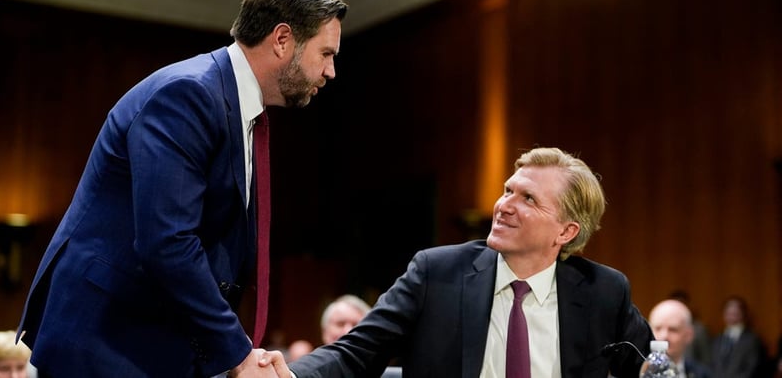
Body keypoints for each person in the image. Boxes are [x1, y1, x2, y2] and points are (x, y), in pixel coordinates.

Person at [15, 0, 348, 378]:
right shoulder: (188, 94)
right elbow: (167, 242)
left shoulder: (233, 105)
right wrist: (239, 357)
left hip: (148, 344)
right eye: (326, 54)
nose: (331, 71)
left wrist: (236, 353)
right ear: (282, 40)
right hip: (106, 347)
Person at [261, 146, 654, 377]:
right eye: (508, 191)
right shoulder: (436, 273)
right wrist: (290, 375)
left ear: (566, 232)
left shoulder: (603, 291)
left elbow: (653, 368)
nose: (503, 206)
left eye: (528, 199)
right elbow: (355, 352)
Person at [647, 299, 711, 378]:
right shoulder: (632, 372)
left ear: (689, 335)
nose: (664, 336)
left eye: (673, 330)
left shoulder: (702, 374)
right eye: (658, 328)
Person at [710, 295, 765, 378]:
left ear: (742, 314)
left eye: (735, 313)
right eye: (728, 313)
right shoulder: (717, 339)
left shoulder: (752, 340)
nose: (731, 316)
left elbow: (752, 368)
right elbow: (711, 365)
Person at [669, 289, 713, 367]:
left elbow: (706, 358)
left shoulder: (699, 329)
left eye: (681, 305)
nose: (678, 309)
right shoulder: (661, 330)